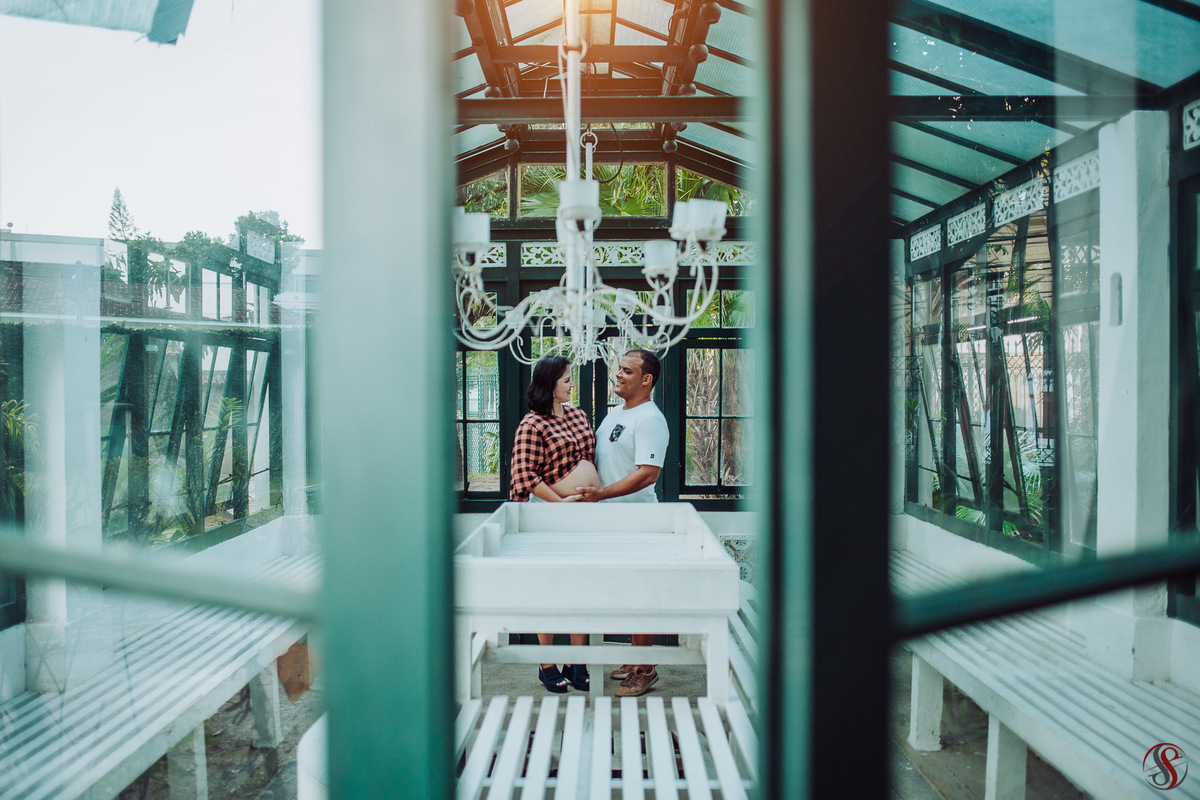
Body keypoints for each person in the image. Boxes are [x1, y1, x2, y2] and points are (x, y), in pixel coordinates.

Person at [578, 348, 669, 697]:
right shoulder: (617, 413)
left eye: (627, 371)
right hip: (611, 521)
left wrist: (601, 495)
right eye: (619, 368)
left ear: (646, 380)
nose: (618, 374)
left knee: (641, 594)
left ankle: (645, 669)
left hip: (637, 521)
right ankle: (635, 659)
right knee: (627, 592)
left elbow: (647, 474)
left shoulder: (649, 419)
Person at [509, 356, 601, 693]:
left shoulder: (578, 414)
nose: (571, 384)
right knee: (547, 589)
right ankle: (547, 663)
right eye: (566, 380)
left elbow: (590, 458)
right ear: (549, 384)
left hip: (581, 517)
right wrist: (559, 503)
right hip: (549, 517)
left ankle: (578, 662)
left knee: (581, 587)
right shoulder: (532, 424)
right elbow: (524, 475)